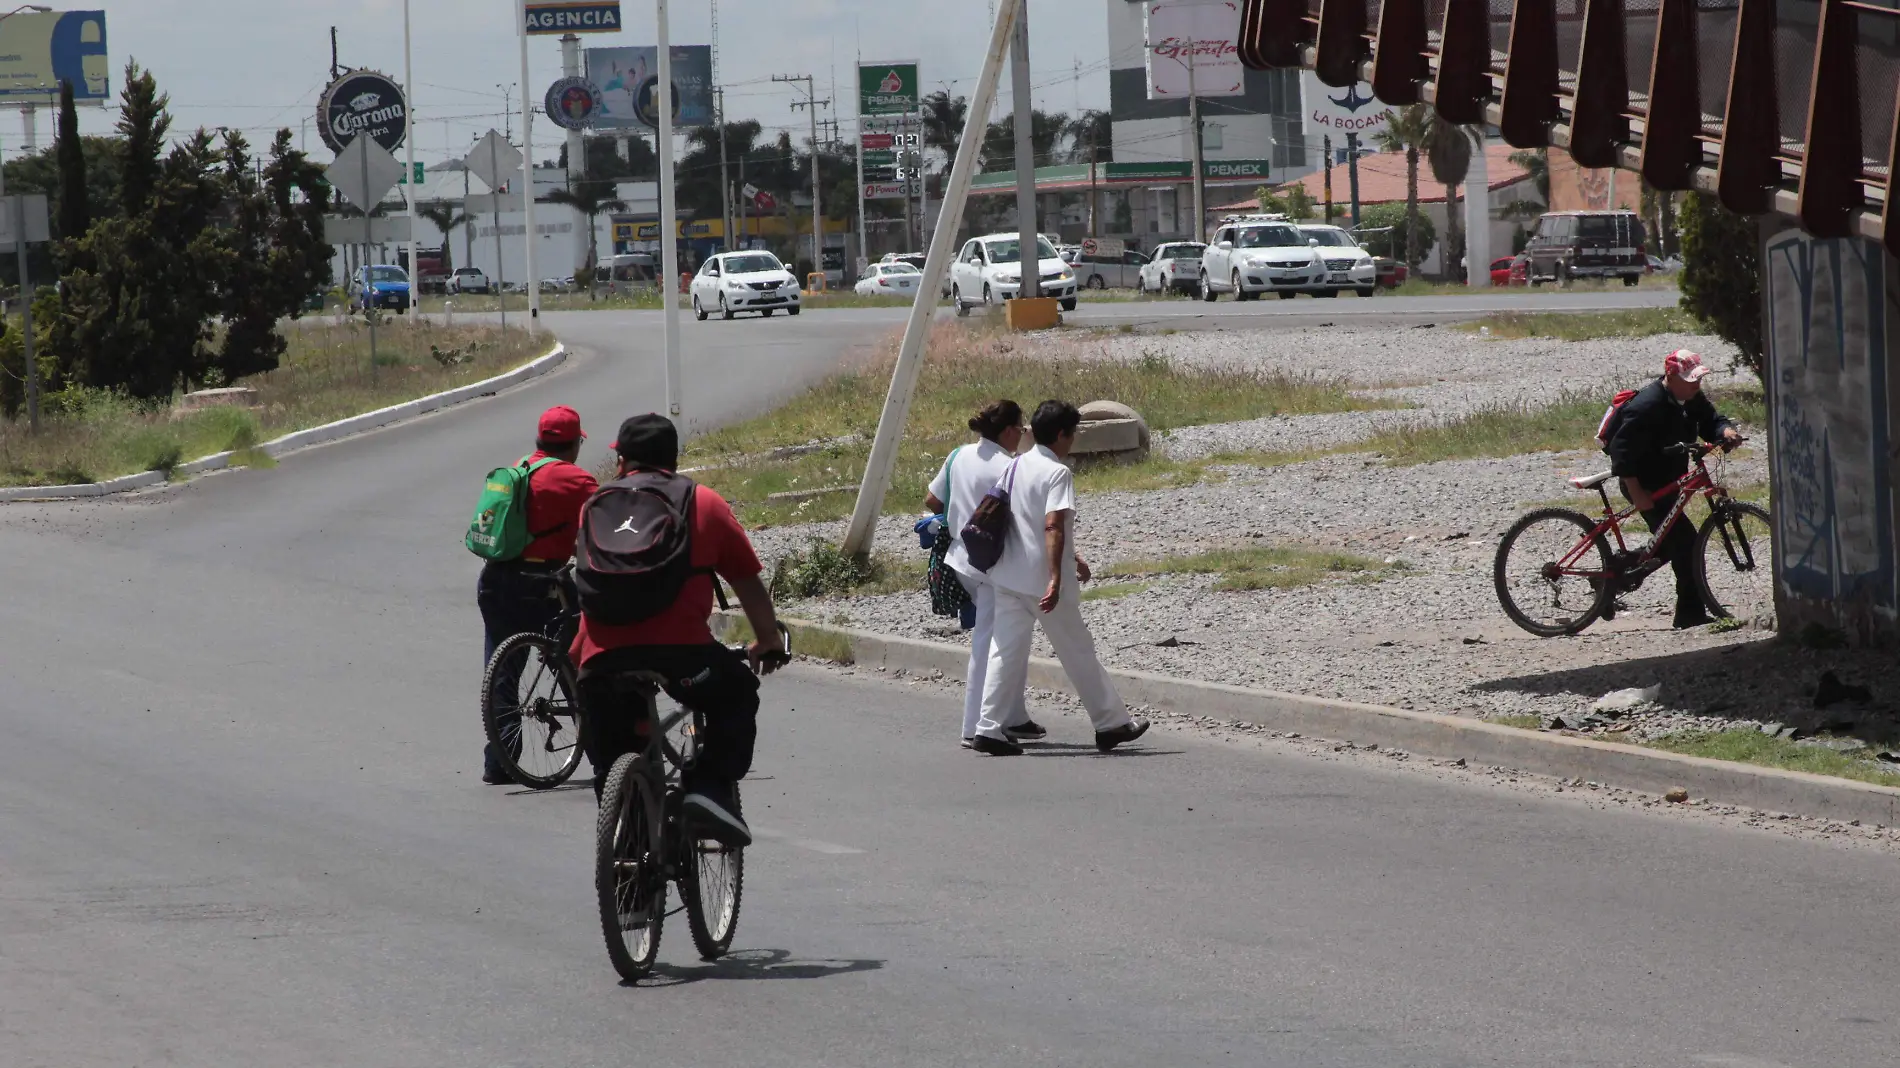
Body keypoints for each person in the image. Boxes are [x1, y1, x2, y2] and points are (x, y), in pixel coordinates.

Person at [572, 414, 787, 846]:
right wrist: (767, 640)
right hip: (681, 656)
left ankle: (628, 870)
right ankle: (708, 790)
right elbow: (745, 581)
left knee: (611, 754)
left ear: (619, 460)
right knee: (736, 694)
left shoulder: (593, 507)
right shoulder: (702, 502)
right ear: (674, 458)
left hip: (602, 659)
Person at [970, 400, 1151, 756]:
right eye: (1072, 434)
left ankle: (987, 728)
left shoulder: (1017, 463)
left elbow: (1022, 518)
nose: (1073, 440)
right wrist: (1056, 576)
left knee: (1004, 652)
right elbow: (1052, 524)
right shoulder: (1057, 473)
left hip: (1008, 575)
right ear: (1061, 435)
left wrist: (1072, 557)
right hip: (1042, 581)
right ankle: (1110, 723)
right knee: (1077, 649)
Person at [478, 405, 599, 784]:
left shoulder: (519, 469)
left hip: (496, 580)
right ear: (576, 443)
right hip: (543, 584)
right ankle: (603, 753)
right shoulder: (580, 482)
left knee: (503, 669)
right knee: (576, 665)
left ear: (540, 440)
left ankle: (499, 763)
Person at [924, 400, 1044, 749]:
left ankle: (1013, 716)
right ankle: (975, 725)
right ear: (1008, 431)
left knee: (1011, 636)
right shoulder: (1011, 466)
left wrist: (961, 512)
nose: (1021, 436)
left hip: (961, 559)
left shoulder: (958, 455)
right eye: (1020, 430)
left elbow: (932, 499)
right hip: (995, 566)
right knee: (991, 644)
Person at [1605, 349, 1742, 629]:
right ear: (1670, 376)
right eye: (1690, 380)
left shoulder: (1690, 396)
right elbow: (1621, 448)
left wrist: (1724, 431)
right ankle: (1689, 616)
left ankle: (1617, 572)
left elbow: (1710, 420)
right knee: (1686, 544)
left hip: (1669, 479)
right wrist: (1636, 489)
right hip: (1643, 483)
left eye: (1698, 379)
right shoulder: (1647, 404)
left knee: (1670, 543)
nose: (1696, 385)